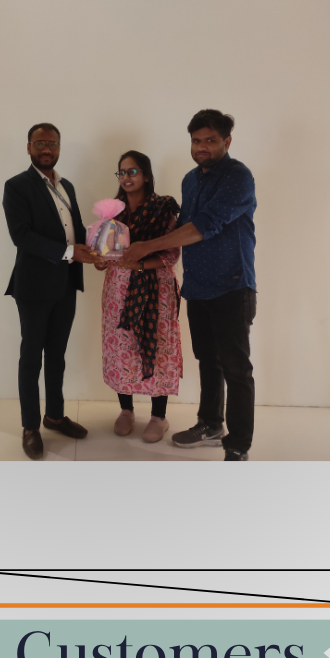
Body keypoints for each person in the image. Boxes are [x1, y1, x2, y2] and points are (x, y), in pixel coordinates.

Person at [118, 110, 257, 461]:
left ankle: (238, 445)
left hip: (232, 285)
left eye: (210, 140)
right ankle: (210, 424)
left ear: (227, 141)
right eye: (196, 140)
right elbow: (181, 228)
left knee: (237, 368)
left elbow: (202, 226)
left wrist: (146, 247)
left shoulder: (238, 176)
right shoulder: (190, 180)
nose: (202, 147)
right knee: (208, 360)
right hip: (197, 287)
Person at [2, 123, 100, 459]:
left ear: (59, 147)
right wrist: (72, 252)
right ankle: (30, 426)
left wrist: (98, 248)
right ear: (29, 147)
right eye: (40, 143)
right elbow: (22, 235)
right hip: (33, 286)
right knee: (31, 357)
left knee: (57, 354)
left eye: (53, 143)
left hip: (66, 284)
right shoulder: (16, 186)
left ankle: (54, 416)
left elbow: (74, 229)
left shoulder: (66, 185)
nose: (47, 149)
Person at [94, 151, 183, 444]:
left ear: (145, 175)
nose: (126, 177)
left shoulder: (162, 208)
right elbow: (103, 254)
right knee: (122, 347)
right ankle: (126, 410)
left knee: (158, 347)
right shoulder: (113, 213)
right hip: (118, 291)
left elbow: (171, 254)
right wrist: (99, 259)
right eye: (122, 172)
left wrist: (141, 265)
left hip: (156, 291)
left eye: (132, 171)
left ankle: (159, 416)